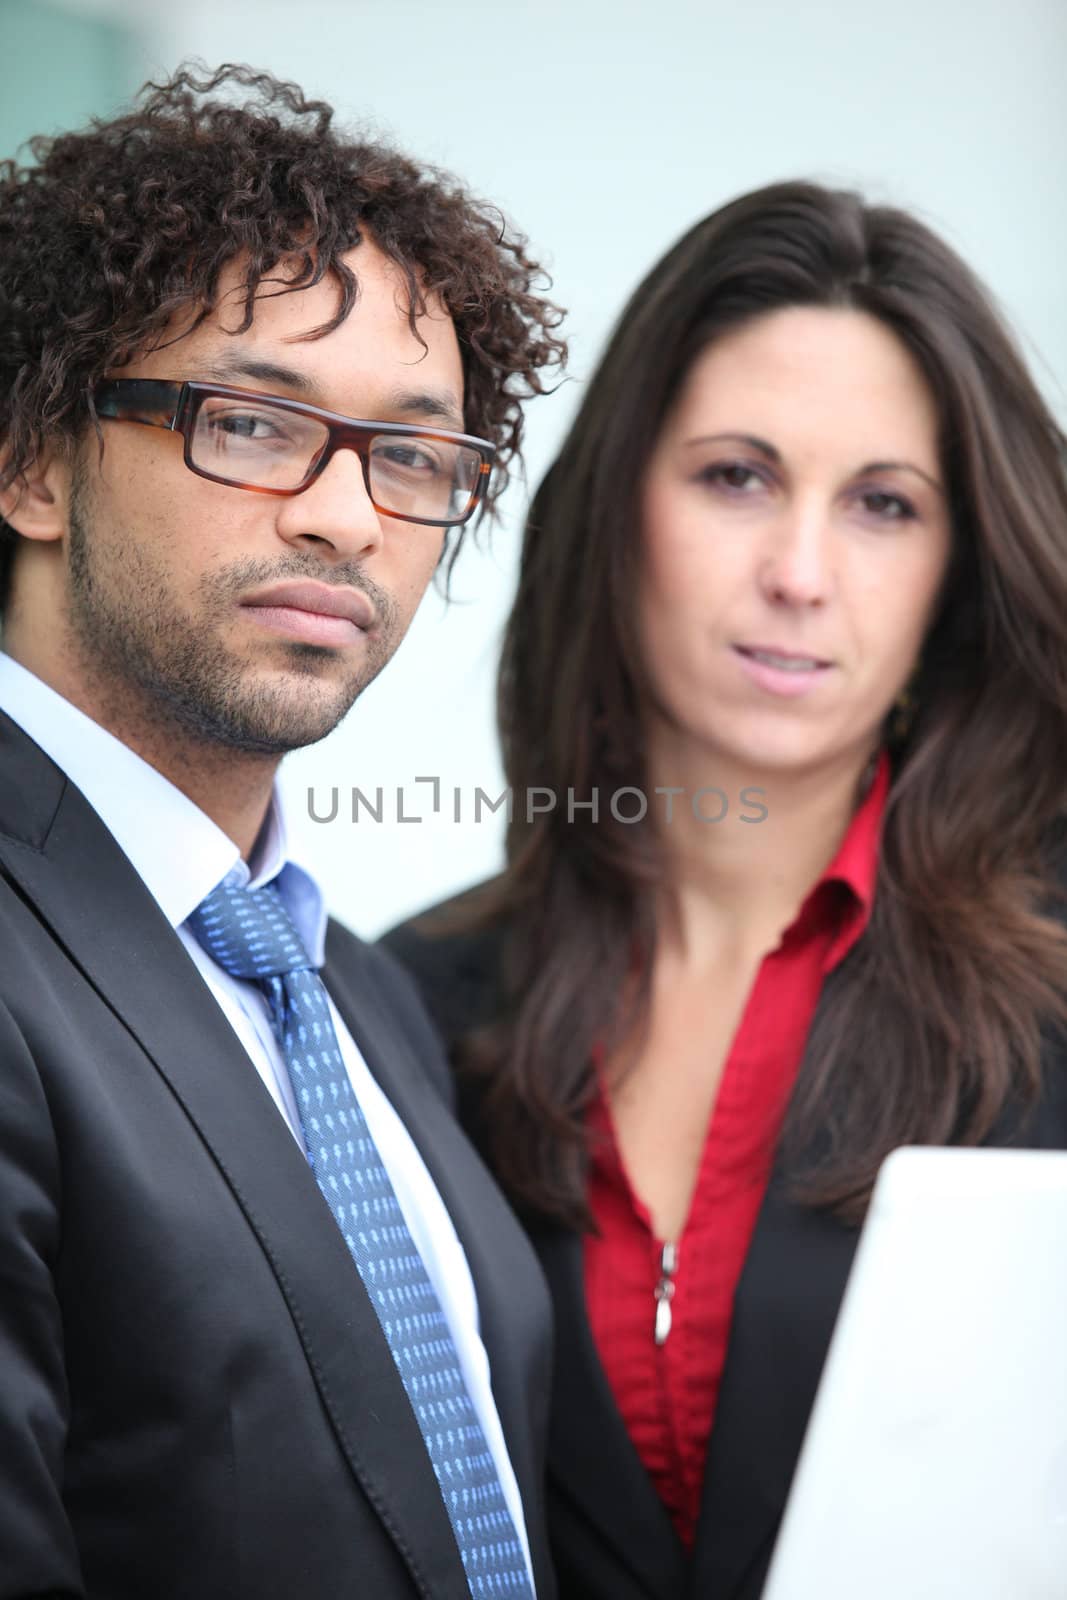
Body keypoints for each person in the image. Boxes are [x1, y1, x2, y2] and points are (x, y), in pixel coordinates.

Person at [382, 180, 1067, 1599]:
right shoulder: (405, 1011)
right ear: (619, 507)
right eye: (735, 476)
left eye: (884, 505)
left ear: (956, 566)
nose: (800, 573)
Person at [0, 63, 566, 1600]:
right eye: (252, 423)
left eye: (411, 455)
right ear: (34, 461)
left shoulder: (357, 994)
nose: (344, 517)